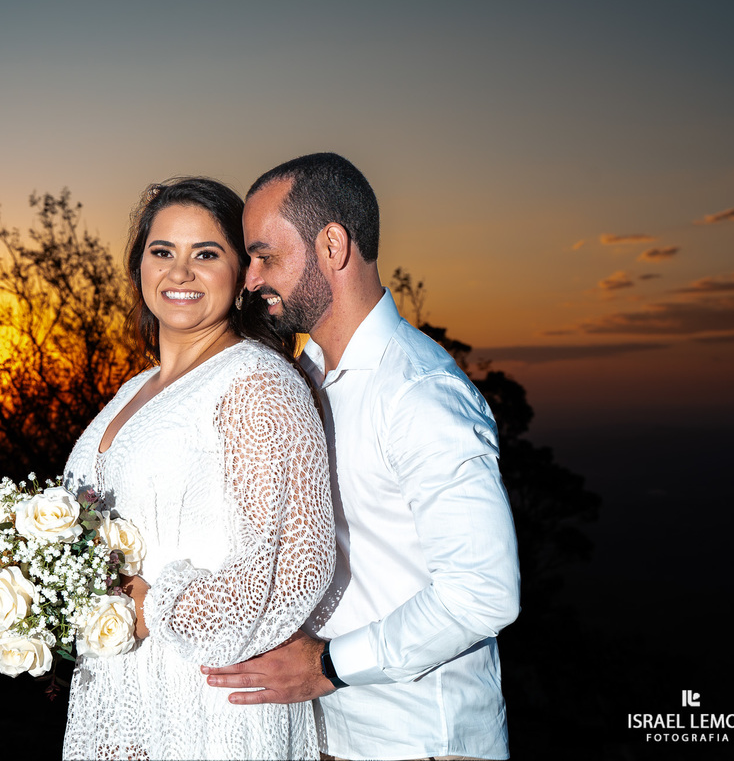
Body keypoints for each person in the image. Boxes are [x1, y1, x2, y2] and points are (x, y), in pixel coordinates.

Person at [202, 153, 522, 761]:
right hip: (328, 737)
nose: (250, 279)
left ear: (332, 245)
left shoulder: (419, 393)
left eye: (266, 255)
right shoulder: (304, 377)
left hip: (420, 742)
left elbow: (485, 592)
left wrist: (327, 666)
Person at [59, 177, 336, 761]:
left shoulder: (258, 386)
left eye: (205, 255)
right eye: (163, 252)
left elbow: (297, 565)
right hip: (121, 701)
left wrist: (154, 607)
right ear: (139, 268)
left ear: (241, 278)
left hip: (210, 713)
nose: (179, 272)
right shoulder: (132, 391)